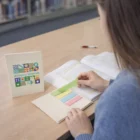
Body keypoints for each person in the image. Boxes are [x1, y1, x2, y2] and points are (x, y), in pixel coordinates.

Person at [65, 0, 140, 140]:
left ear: (116, 24)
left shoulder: (118, 100)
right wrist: (107, 85)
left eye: (100, 17)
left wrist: (82, 133)